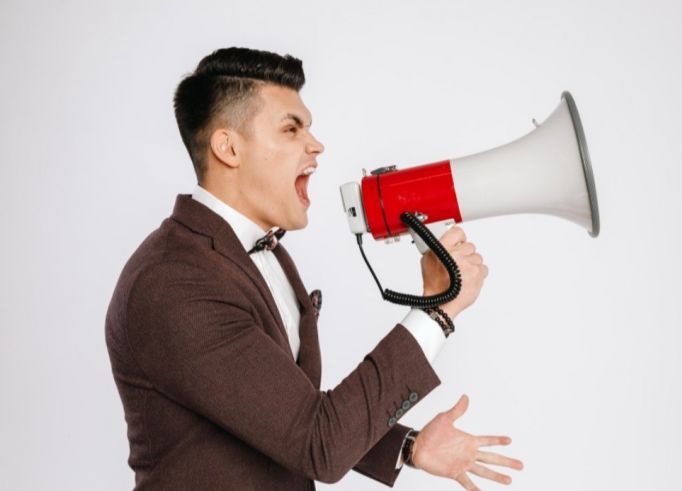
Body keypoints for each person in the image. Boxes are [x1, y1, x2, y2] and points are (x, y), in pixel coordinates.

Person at [105, 47, 522, 490]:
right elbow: (316, 442)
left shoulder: (262, 253)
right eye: (291, 128)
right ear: (228, 147)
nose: (316, 144)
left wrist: (408, 447)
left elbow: (279, 414)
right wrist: (438, 310)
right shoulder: (174, 280)